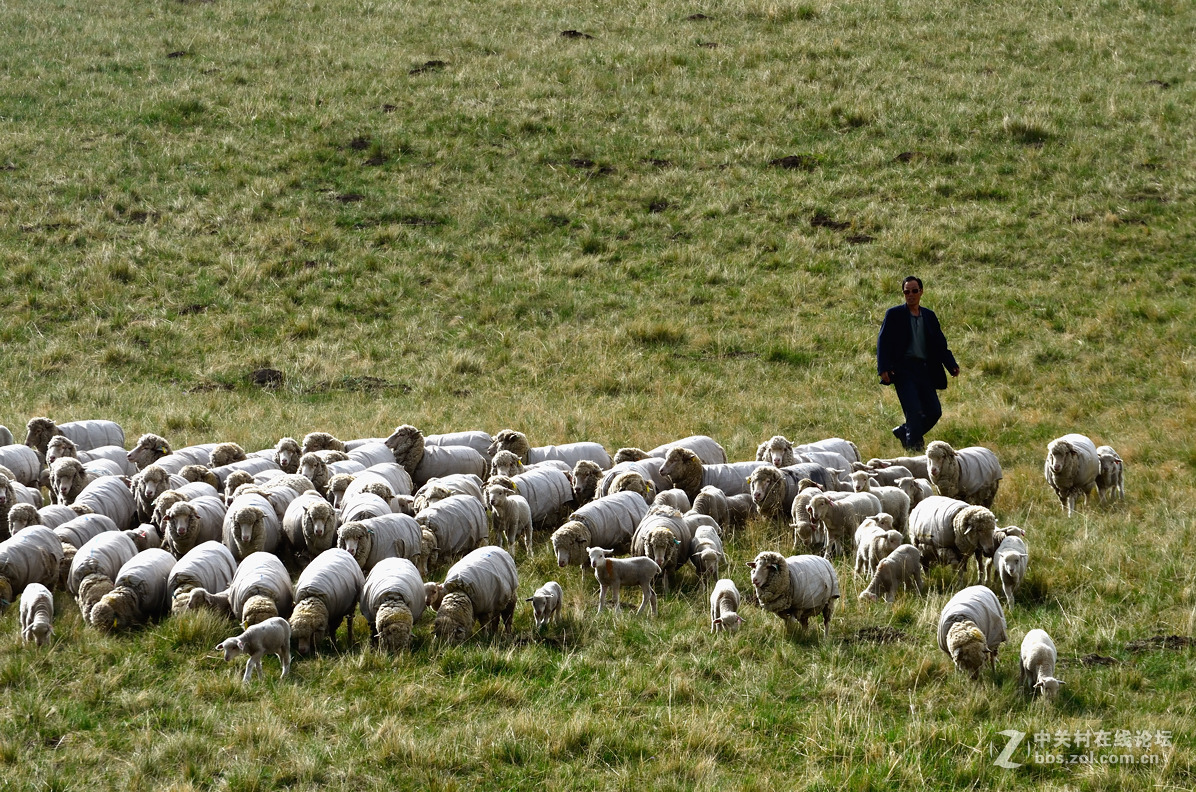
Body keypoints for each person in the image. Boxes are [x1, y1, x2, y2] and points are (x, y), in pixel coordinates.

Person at [876, 276, 960, 451]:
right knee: (913, 411)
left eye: (914, 291)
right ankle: (915, 449)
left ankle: (905, 431)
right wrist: (883, 368)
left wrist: (951, 364)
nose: (910, 295)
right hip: (903, 371)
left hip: (925, 370)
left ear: (921, 291)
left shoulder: (929, 316)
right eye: (907, 291)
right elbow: (883, 341)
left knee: (934, 411)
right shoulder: (894, 314)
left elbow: (939, 344)